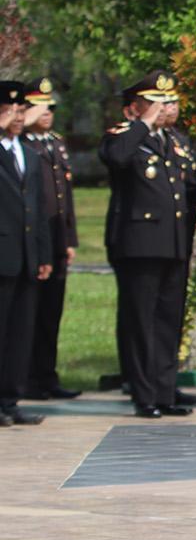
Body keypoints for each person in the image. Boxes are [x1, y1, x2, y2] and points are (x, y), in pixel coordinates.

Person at [101, 70, 196, 417]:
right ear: (133, 108)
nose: (162, 109)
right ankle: (143, 393)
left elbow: (183, 188)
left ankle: (164, 390)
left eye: (165, 102)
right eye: (153, 103)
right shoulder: (124, 136)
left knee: (167, 320)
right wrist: (143, 123)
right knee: (141, 320)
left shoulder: (172, 141)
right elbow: (116, 158)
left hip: (174, 242)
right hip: (139, 244)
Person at [22, 77, 78, 401]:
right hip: (33, 238)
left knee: (51, 313)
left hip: (56, 237)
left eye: (50, 107)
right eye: (38, 107)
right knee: (32, 310)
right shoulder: (22, 143)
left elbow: (64, 196)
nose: (46, 113)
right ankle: (28, 376)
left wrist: (69, 239)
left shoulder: (55, 143)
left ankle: (47, 374)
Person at [0, 80, 52, 426]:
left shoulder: (29, 154)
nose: (17, 116)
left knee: (20, 332)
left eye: (20, 110)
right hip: (2, 254)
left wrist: (44, 253)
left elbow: (38, 208)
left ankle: (10, 399)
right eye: (8, 110)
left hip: (26, 255)